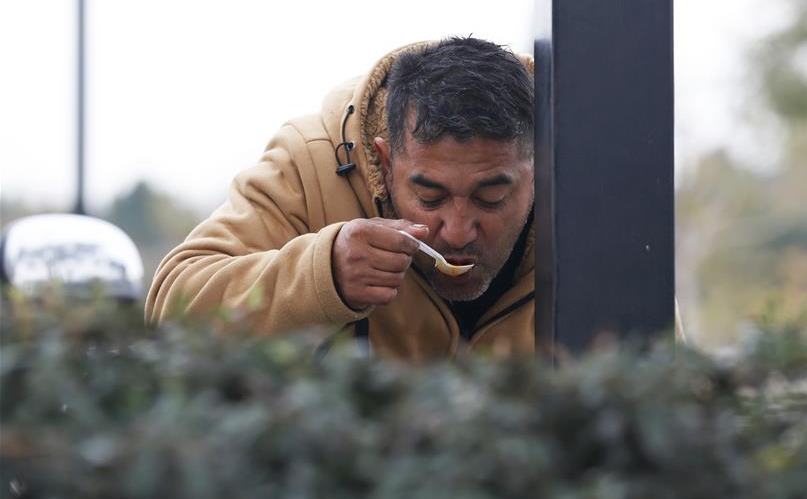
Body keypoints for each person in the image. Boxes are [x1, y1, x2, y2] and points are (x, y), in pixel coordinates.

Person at [145, 37, 537, 361]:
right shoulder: (308, 163)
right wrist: (323, 274)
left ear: (543, 167)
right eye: (430, 197)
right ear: (385, 162)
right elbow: (171, 313)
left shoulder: (591, 180)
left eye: (491, 197)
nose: (456, 232)